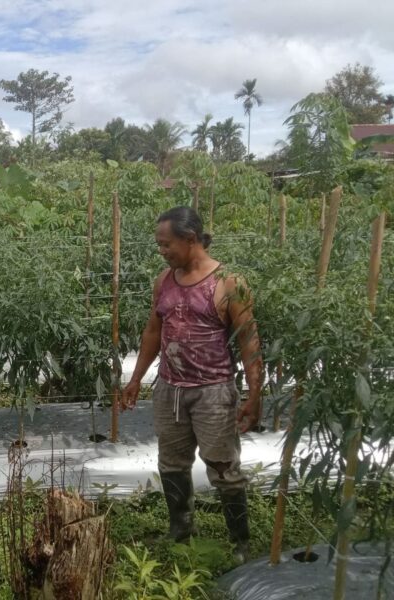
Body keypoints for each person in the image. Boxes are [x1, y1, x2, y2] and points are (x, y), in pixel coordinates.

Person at [120, 206, 262, 563]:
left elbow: (249, 342)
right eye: (159, 244)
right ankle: (180, 531)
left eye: (166, 244)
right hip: (170, 389)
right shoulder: (164, 281)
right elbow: (153, 332)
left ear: (190, 239)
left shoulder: (229, 283)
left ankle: (240, 542)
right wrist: (136, 379)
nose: (161, 251)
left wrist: (255, 394)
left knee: (223, 468)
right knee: (171, 463)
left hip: (213, 391)